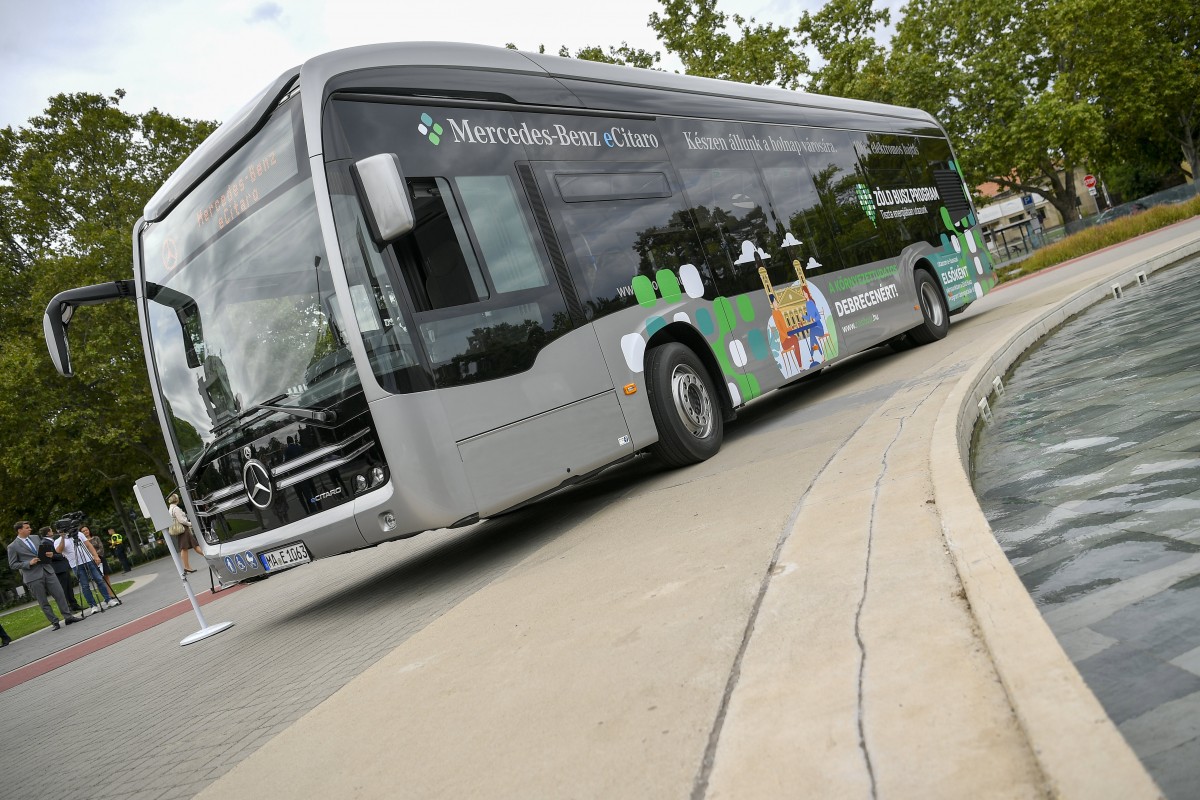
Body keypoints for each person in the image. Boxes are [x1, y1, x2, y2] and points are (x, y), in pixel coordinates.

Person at [7, 521, 83, 630]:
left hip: (48, 570)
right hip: (32, 576)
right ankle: (55, 622)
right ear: (20, 530)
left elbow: (43, 551)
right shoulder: (12, 546)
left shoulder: (35, 538)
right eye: (27, 528)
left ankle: (68, 617)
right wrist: (28, 563)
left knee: (60, 594)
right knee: (43, 601)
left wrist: (50, 554)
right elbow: (13, 564)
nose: (30, 529)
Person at [56, 525, 116, 614]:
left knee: (99, 579)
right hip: (76, 565)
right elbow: (59, 551)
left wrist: (95, 556)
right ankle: (93, 605)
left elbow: (88, 545)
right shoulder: (57, 541)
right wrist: (62, 538)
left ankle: (108, 600)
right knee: (85, 585)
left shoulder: (78, 534)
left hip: (89, 560)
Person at [40, 525, 81, 613]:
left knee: (69, 587)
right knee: (64, 589)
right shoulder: (44, 542)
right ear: (47, 533)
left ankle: (74, 604)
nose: (53, 532)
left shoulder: (52, 541)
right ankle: (68, 607)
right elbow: (45, 558)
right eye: (51, 530)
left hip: (62, 567)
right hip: (57, 569)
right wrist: (61, 555)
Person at [168, 494, 204, 574]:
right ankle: (209, 557)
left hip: (180, 530)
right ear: (176, 499)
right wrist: (190, 523)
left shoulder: (170, 508)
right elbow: (181, 520)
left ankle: (188, 567)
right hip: (183, 529)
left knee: (192, 546)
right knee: (186, 547)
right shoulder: (176, 508)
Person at [84, 525, 118, 600]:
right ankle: (106, 595)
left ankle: (111, 593)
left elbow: (101, 547)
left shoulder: (96, 538)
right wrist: (92, 556)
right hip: (91, 560)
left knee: (106, 576)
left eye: (86, 530)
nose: (86, 532)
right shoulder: (83, 542)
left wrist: (96, 555)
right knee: (98, 578)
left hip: (100, 558)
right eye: (83, 531)